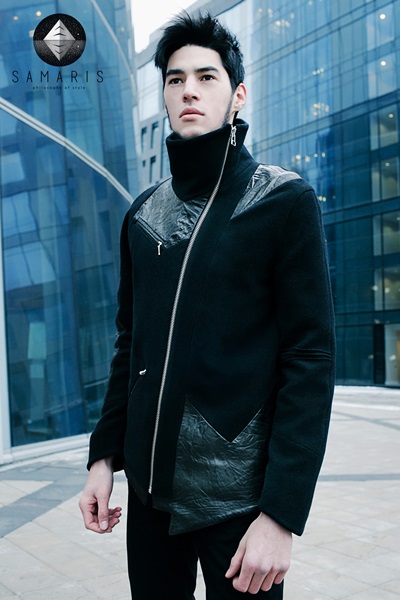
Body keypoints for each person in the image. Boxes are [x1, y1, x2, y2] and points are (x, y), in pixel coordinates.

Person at [79, 12, 335, 599]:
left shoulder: (282, 200)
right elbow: (131, 344)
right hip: (149, 500)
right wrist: (103, 459)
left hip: (237, 502)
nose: (189, 90)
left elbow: (310, 357)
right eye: (175, 80)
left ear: (237, 94)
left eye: (206, 76)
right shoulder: (143, 215)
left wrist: (281, 515)